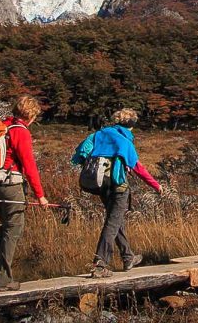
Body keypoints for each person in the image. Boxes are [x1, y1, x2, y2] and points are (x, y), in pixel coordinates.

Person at [72, 108, 162, 277]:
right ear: (132, 126)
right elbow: (138, 168)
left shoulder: (98, 135)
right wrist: (156, 185)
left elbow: (81, 153)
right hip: (118, 187)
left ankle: (128, 257)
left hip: (101, 185)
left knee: (115, 220)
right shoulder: (125, 141)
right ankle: (100, 264)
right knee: (113, 223)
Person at [0, 95, 48, 292]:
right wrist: (40, 195)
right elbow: (29, 166)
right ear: (31, 114)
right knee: (14, 228)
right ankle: (3, 280)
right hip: (10, 184)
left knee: (6, 226)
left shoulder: (2, 126)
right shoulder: (20, 132)